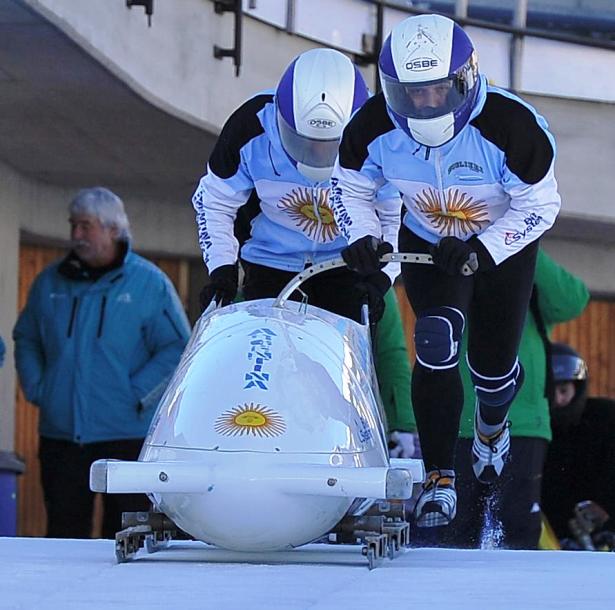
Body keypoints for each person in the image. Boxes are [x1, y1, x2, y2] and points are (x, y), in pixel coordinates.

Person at [331, 13, 561, 527]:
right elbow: (350, 187)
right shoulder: (370, 126)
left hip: (502, 239)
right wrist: (365, 237)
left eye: (439, 90)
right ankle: (439, 477)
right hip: (429, 240)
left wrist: (483, 246)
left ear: (465, 81)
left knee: (492, 368)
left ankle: (492, 422)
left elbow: (542, 207)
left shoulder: (513, 127)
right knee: (435, 341)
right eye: (412, 93)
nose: (427, 104)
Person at [13, 187, 190, 539]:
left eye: (85, 226)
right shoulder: (50, 282)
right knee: (64, 536)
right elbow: (27, 338)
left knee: (126, 536)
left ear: (113, 230)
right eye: (73, 225)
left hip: (127, 436)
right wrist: (39, 388)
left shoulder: (149, 284)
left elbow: (177, 348)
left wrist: (137, 393)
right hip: (62, 437)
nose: (76, 235)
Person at [191, 47, 401, 325]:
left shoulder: (381, 134)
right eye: (302, 141)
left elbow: (397, 214)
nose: (315, 152)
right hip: (269, 262)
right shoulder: (249, 127)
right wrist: (221, 268)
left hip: (346, 263)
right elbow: (215, 200)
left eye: (331, 146)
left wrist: (381, 276)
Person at [404, 249, 589, 549]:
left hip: (523, 424)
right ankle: (447, 594)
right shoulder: (454, 260)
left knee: (518, 530)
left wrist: (519, 242)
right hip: (458, 425)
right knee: (453, 531)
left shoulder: (524, 276)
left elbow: (572, 301)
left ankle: (517, 595)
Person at [541, 343, 615, 541]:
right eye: (550, 391)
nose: (557, 399)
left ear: (578, 387)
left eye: (564, 390)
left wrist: (606, 507)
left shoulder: (605, 417)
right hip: (549, 536)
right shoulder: (530, 430)